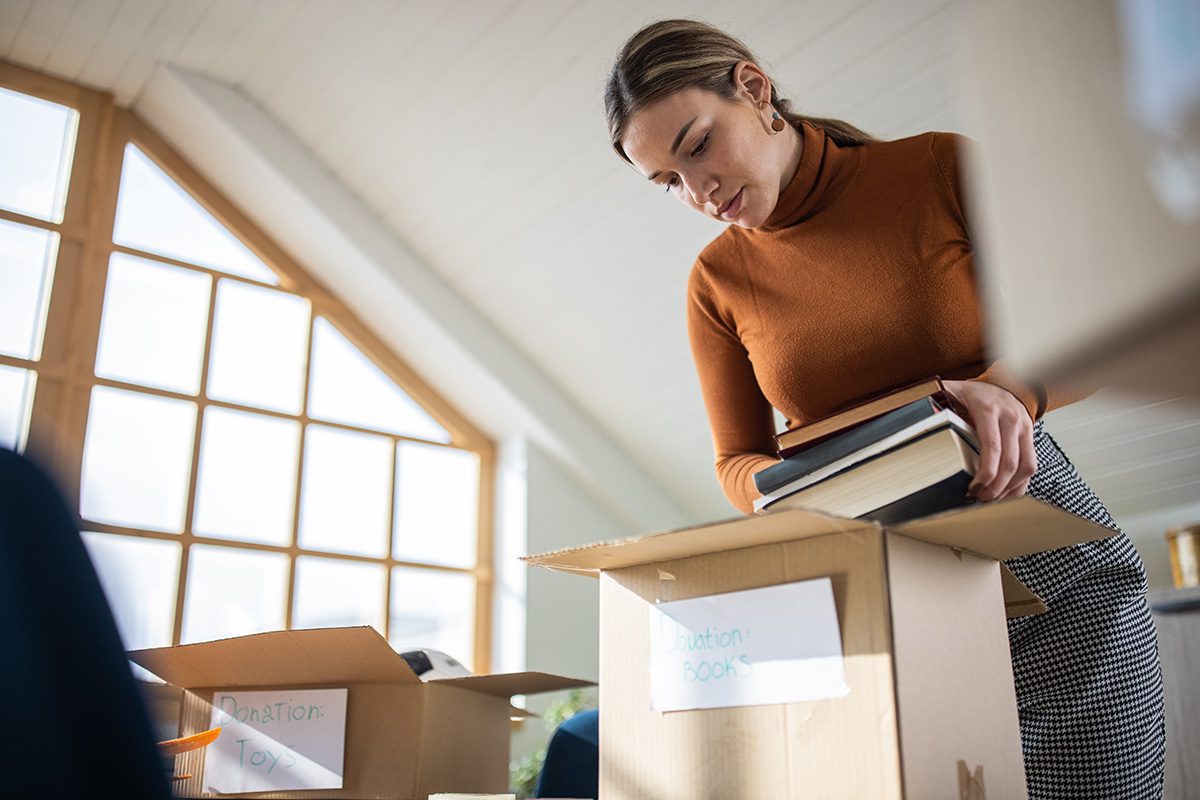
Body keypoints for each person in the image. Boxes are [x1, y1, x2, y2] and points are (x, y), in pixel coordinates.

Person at [604, 18, 1165, 799]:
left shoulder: (938, 166)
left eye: (698, 147)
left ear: (755, 89)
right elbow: (736, 461)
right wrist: (799, 491)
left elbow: (1097, 325)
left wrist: (1013, 392)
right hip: (879, 606)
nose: (698, 194)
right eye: (668, 181)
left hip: (1055, 581)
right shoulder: (715, 283)